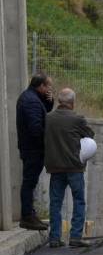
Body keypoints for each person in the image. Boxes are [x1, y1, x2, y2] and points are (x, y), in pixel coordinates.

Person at [44, 89, 94, 248]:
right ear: (72, 103)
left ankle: (54, 238)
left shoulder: (48, 118)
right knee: (79, 201)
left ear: (59, 101)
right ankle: (75, 237)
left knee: (55, 203)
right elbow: (90, 134)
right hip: (74, 167)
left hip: (55, 167)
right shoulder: (77, 118)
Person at [15, 73, 54, 230]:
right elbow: (35, 127)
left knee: (30, 182)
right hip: (33, 149)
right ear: (41, 86)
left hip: (31, 148)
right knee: (29, 182)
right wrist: (45, 143)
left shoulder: (32, 98)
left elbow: (42, 112)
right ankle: (27, 217)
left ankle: (30, 214)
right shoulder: (31, 101)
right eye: (48, 86)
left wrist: (48, 101)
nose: (50, 89)